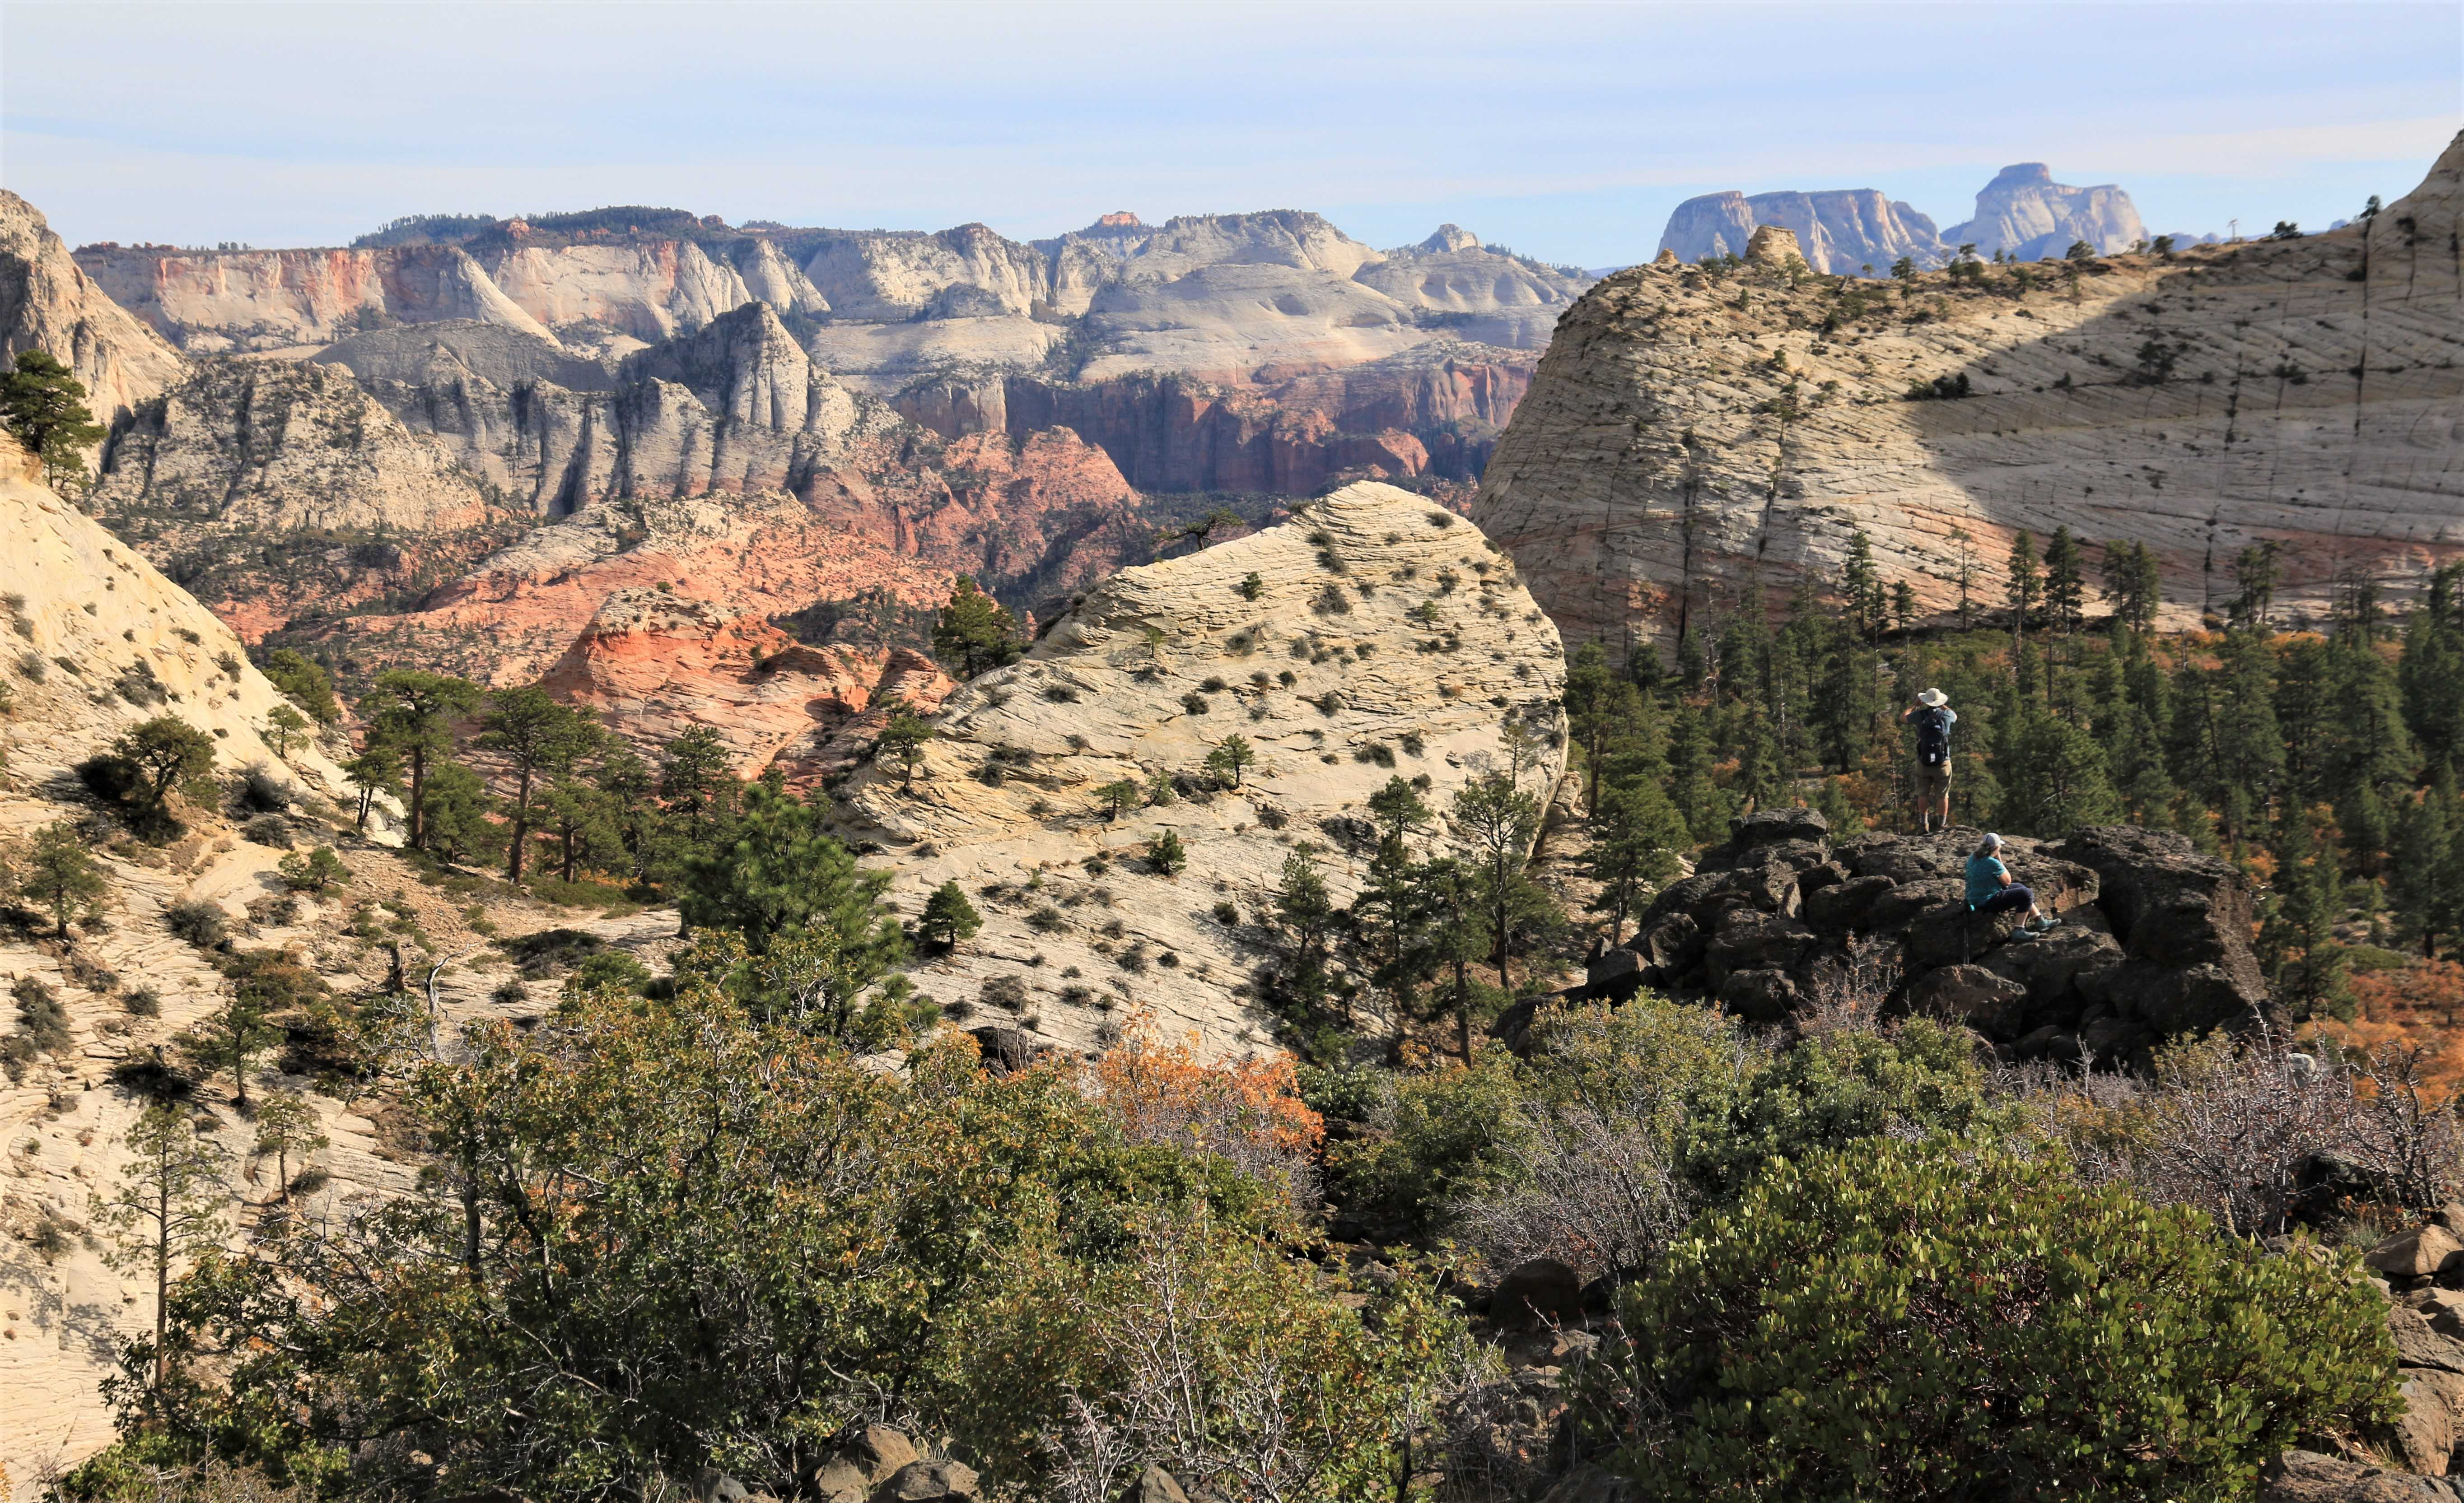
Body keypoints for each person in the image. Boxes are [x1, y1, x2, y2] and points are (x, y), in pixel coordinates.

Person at [1965, 833, 2061, 934]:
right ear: (1997, 848)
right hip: (1987, 901)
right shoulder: (1992, 862)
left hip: (1974, 898)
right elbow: (2007, 882)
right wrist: (1999, 860)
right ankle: (2019, 930)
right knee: (2026, 894)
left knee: (2020, 887)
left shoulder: (1973, 858)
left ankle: (2040, 921)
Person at [1902, 687, 1957, 833]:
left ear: (1925, 701)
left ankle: (1923, 825)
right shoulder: (1946, 715)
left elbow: (1903, 717)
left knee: (1923, 793)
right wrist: (1942, 705)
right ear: (1939, 701)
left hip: (1923, 761)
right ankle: (1941, 825)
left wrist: (1915, 704)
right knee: (1943, 794)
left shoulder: (1920, 715)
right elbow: (1955, 715)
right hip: (1943, 761)